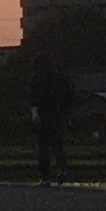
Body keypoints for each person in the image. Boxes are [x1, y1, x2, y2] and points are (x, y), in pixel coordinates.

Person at [28, 46, 76, 185]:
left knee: (43, 146)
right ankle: (62, 169)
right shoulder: (60, 78)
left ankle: (45, 177)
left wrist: (34, 113)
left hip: (43, 114)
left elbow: (33, 99)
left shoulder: (36, 78)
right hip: (58, 114)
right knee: (58, 144)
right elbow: (68, 96)